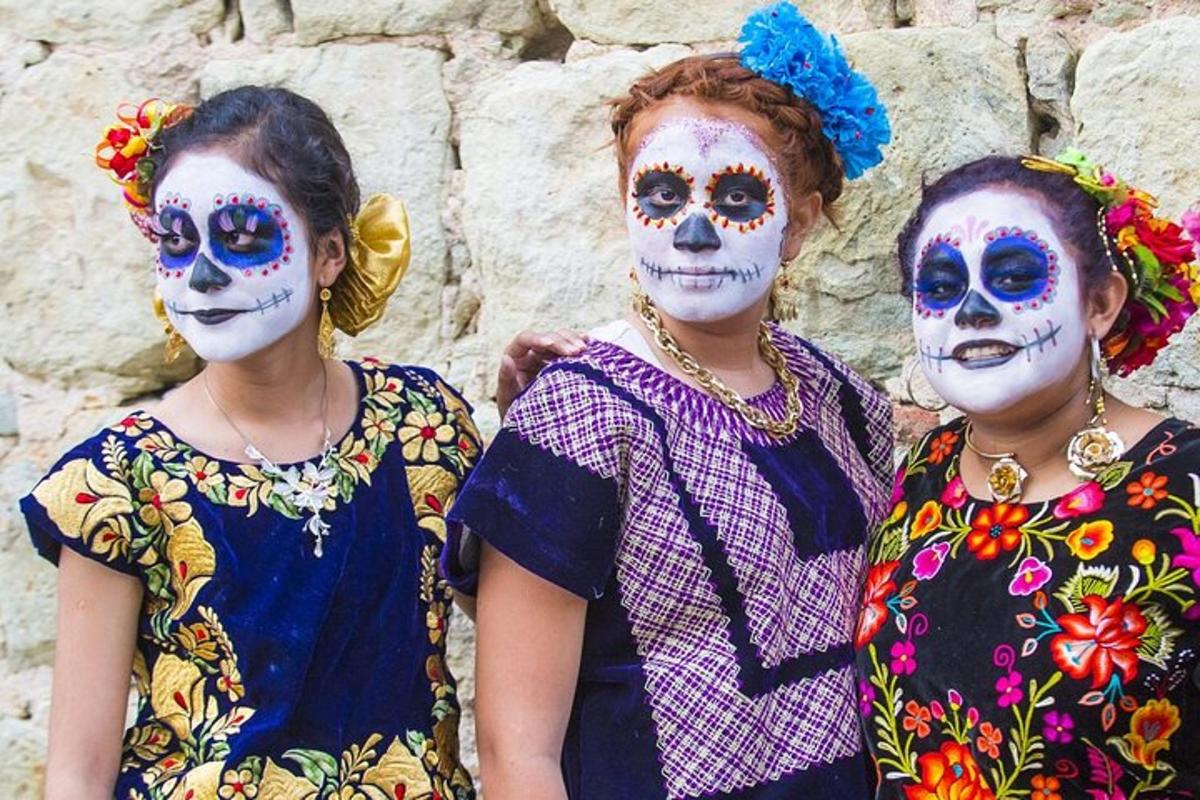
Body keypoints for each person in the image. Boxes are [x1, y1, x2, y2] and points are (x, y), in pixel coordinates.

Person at [441, 4, 895, 798]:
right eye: (661, 193)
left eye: (738, 198)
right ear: (625, 207)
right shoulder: (578, 414)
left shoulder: (841, 399)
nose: (694, 232)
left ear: (800, 224)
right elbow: (519, 754)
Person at [21, 87, 483, 799]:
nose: (204, 275)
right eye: (178, 242)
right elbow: (77, 773)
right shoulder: (115, 483)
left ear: (329, 253)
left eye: (243, 237)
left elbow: (524, 617)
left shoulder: (424, 427)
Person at [856, 152, 1200, 798]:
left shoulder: (1188, 488)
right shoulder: (925, 473)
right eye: (940, 285)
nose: (972, 311)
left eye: (1014, 276)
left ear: (1100, 303)